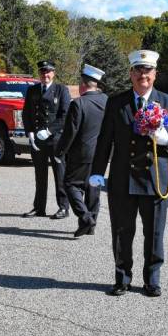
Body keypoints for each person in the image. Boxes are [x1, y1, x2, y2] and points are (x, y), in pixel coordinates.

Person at [89, 50, 168, 297]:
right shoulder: (116, 102)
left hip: (155, 179)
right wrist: (97, 172)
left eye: (148, 70)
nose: (143, 75)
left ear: (155, 74)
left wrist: (166, 138)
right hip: (123, 179)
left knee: (154, 232)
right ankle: (122, 278)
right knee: (122, 232)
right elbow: (105, 140)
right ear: (131, 73)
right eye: (138, 70)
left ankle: (152, 280)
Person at [55, 64, 108, 237]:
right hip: (101, 154)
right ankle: (90, 226)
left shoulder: (78, 103)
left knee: (70, 185)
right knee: (93, 189)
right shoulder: (107, 101)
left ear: (83, 84)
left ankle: (86, 219)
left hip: (81, 155)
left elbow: (70, 132)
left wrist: (60, 151)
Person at [21, 60, 71, 219]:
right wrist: (29, 132)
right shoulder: (32, 90)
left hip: (56, 139)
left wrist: (49, 131)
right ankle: (39, 208)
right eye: (43, 72)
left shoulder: (61, 90)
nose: (45, 75)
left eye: (48, 72)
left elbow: (65, 115)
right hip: (38, 139)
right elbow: (26, 113)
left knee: (60, 174)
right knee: (40, 174)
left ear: (53, 73)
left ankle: (63, 207)